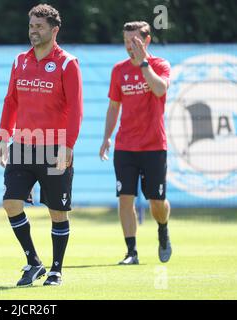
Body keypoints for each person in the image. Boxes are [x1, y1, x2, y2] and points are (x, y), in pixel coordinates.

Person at [0, 4, 83, 286]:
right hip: (21, 145)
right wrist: (2, 137)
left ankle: (57, 269)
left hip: (55, 147)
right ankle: (33, 261)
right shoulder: (19, 60)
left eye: (39, 26)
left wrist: (68, 145)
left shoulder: (67, 63)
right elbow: (11, 101)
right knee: (11, 203)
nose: (34, 31)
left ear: (54, 30)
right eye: (31, 26)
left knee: (57, 211)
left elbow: (76, 108)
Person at [99, 21, 172, 265]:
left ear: (146, 40)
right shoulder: (118, 70)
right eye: (126, 41)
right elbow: (113, 107)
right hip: (125, 147)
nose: (130, 46)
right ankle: (132, 252)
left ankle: (162, 229)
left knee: (157, 202)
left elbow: (160, 90)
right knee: (125, 198)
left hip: (154, 146)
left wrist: (143, 64)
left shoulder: (160, 65)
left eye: (135, 41)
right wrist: (107, 137)